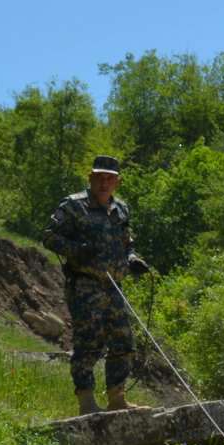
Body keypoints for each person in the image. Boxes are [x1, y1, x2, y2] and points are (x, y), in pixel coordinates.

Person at [38, 154, 152, 415]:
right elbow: (49, 236)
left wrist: (133, 259)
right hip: (85, 285)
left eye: (109, 179)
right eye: (99, 177)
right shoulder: (73, 205)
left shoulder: (121, 209)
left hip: (114, 286)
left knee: (123, 339)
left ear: (117, 182)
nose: (104, 183)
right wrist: (78, 250)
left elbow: (127, 243)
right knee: (89, 341)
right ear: (90, 178)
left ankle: (117, 398)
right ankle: (86, 400)